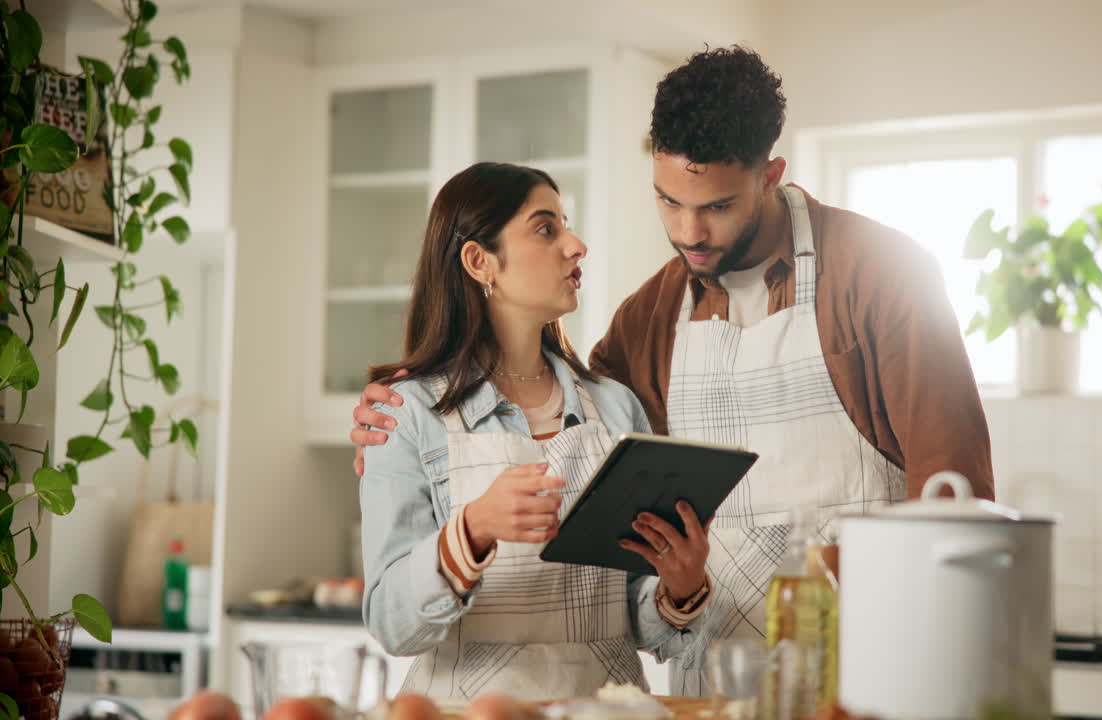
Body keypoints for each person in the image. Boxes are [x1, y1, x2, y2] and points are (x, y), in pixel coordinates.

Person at [353, 48, 994, 695]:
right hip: (710, 691)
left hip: (863, 680)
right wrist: (414, 404)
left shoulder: (881, 276)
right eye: (668, 201)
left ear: (769, 174)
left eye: (716, 206)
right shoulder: (650, 316)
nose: (690, 232)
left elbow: (954, 502)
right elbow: (564, 433)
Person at [359, 162, 714, 700]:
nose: (576, 245)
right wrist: (472, 530)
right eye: (546, 228)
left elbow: (635, 621)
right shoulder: (404, 412)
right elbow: (390, 623)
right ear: (480, 262)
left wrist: (680, 588)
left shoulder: (616, 409)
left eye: (565, 224)